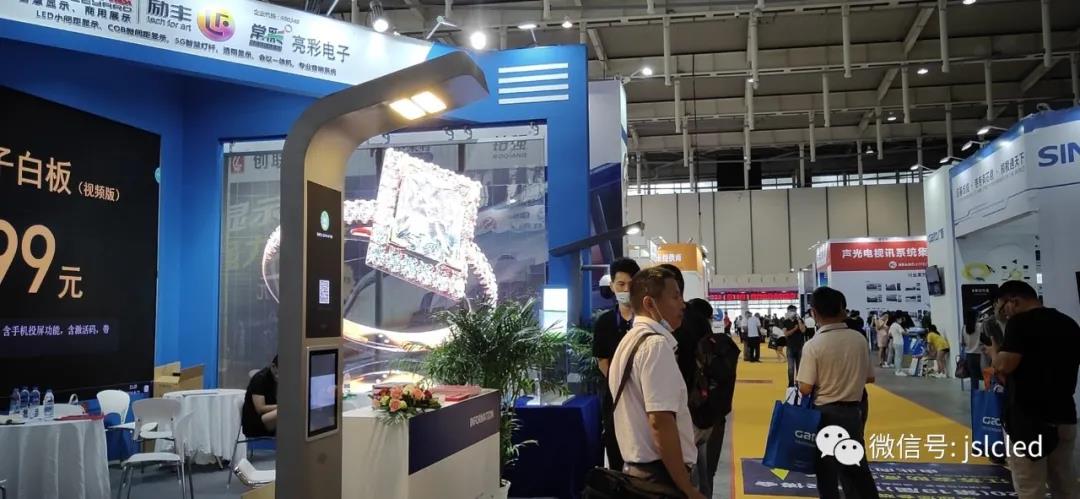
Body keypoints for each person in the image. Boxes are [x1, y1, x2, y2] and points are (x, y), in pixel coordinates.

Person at [608, 267, 705, 499]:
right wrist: (686, 487)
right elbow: (660, 421)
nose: (683, 304)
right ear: (650, 303)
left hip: (639, 472)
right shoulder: (655, 346)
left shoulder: (630, 340)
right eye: (675, 297)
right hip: (660, 478)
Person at [989, 281, 1080, 499]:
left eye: (1003, 309)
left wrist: (994, 352)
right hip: (1064, 414)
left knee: (1030, 487)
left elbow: (1004, 365)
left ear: (1014, 301)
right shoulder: (1069, 323)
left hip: (1028, 420)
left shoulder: (1019, 323)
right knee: (1065, 484)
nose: (1004, 314)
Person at [797, 287, 880, 499]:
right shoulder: (858, 339)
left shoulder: (814, 345)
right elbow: (869, 378)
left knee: (827, 471)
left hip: (825, 414)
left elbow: (805, 388)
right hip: (854, 411)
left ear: (814, 312)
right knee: (856, 468)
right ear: (842, 309)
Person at [591, 257, 641, 471]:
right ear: (612, 286)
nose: (626, 289)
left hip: (643, 399)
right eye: (621, 284)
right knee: (616, 455)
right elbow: (602, 361)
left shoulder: (648, 320)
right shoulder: (605, 322)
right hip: (615, 399)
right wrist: (621, 385)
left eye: (631, 284)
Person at [242, 355, 279, 437]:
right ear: (273, 366)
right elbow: (260, 409)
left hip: (269, 418)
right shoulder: (260, 379)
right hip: (255, 423)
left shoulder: (277, 379)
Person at [782, 305, 804, 387]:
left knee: (799, 367)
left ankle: (798, 383)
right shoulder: (785, 322)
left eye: (794, 311)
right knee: (790, 368)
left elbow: (803, 330)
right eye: (791, 311)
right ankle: (791, 384)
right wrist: (794, 329)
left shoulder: (800, 320)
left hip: (800, 346)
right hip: (790, 347)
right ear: (788, 312)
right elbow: (786, 334)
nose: (792, 312)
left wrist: (799, 321)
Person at [962, 321, 984, 390]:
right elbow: (985, 339)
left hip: (970, 356)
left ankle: (975, 394)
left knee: (974, 379)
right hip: (981, 355)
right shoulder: (980, 325)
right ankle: (988, 394)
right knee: (987, 376)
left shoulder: (964, 327)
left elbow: (962, 343)